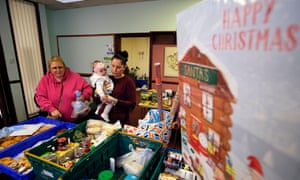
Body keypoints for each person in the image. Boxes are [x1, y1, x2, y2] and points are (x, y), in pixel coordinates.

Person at [35, 56, 93, 122]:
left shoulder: (75, 77)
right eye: (54, 68)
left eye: (60, 67)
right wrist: (51, 109)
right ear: (50, 69)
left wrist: (84, 96)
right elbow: (40, 97)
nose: (58, 70)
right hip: (55, 119)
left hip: (76, 119)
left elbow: (88, 88)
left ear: (64, 67)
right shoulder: (45, 80)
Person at [98, 50, 136, 126]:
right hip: (102, 119)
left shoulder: (128, 82)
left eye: (118, 67)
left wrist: (115, 101)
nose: (114, 70)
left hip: (118, 122)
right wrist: (97, 93)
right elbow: (97, 101)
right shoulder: (107, 78)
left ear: (124, 67)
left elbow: (132, 104)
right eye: (112, 66)